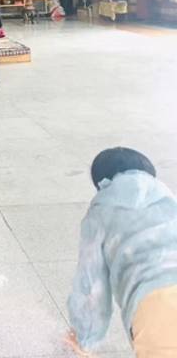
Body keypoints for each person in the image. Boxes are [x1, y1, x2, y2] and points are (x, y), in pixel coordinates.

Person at [66, 147, 177, 357]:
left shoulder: (100, 211)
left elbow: (91, 284)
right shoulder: (170, 200)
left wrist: (83, 338)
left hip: (157, 304)